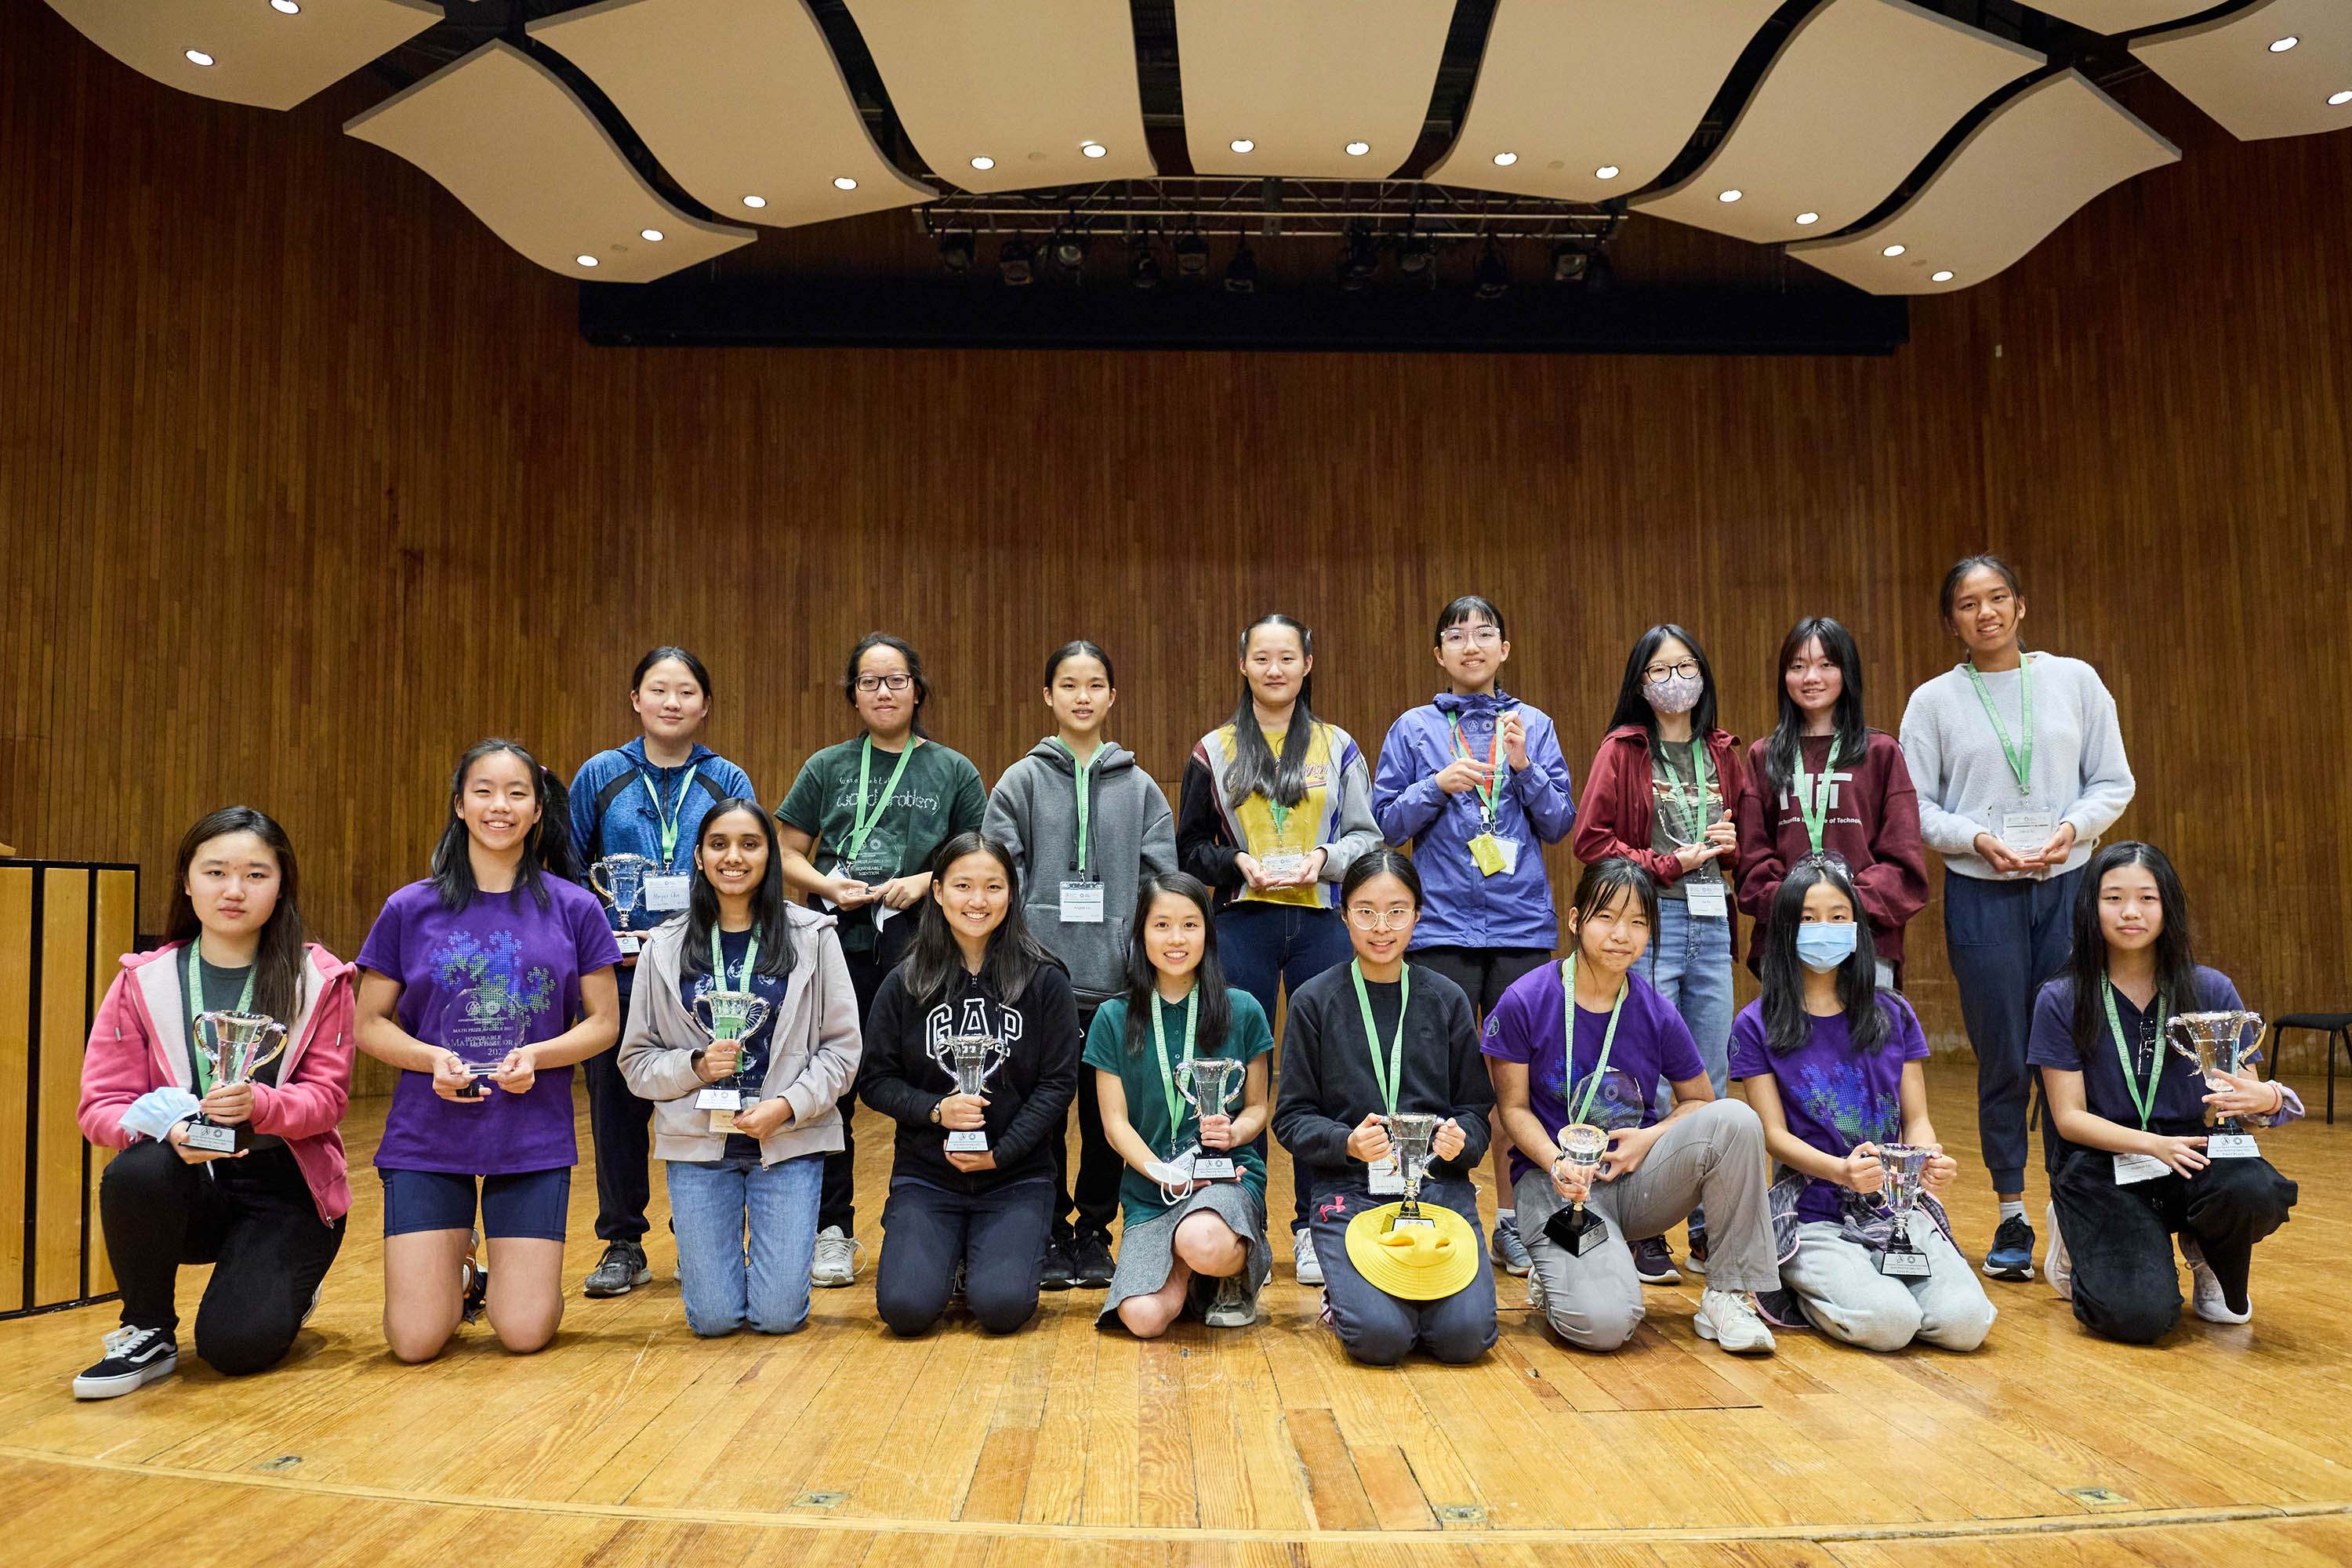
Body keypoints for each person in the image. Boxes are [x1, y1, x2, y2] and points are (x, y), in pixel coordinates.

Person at [1900, 555, 2135, 1282]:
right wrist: (1977, 840)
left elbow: (2112, 780)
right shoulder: (1933, 701)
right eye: (1968, 604)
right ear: (1951, 622)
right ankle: (2011, 1213)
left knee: (2072, 1053)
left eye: (1998, 597)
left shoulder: (2074, 680)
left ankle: (2074, 1207)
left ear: (2022, 605)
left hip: (2070, 887)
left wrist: (2072, 828)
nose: (1986, 613)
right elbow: (1916, 805)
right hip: (1984, 892)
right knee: (2003, 1057)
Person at [355, 739, 622, 1362]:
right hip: (429, 1133)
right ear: (459, 806)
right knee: (416, 1342)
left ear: (536, 812)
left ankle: (482, 1277)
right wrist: (431, 1062)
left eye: (516, 793)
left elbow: (603, 1023)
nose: (499, 806)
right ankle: (462, 1267)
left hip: (529, 1132)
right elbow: (369, 1023)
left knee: (525, 1332)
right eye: (484, 791)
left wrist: (539, 1056)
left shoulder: (577, 907)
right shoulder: (408, 907)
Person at [73, 808, 354, 1398]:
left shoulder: (318, 978)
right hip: (190, 1178)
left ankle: (283, 1287)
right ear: (187, 880)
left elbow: (327, 1100)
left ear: (281, 885)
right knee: (137, 1171)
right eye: (216, 872)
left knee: (236, 1348)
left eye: (256, 874)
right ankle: (147, 1328)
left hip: (285, 1187)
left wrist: (261, 1105)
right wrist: (166, 1128)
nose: (234, 890)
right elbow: (100, 1105)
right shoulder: (142, 980)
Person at [1484, 858, 1780, 1356]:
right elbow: (1512, 1111)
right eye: (1607, 917)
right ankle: (1560, 1271)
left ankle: (1727, 1296)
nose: (1622, 934)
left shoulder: (1656, 1011)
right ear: (1576, 920)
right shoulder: (1526, 1000)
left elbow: (1699, 1102)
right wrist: (1555, 1161)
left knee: (1736, 1119)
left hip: (1634, 1182)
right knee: (1604, 1327)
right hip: (1555, 1187)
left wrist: (1648, 1138)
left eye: (1638, 922)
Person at [1372, 595, 1576, 1281]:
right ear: (1438, 654)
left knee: (1521, 1083)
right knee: (1442, 1078)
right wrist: (1436, 783)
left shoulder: (1534, 725)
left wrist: (1523, 766)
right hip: (1440, 929)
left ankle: (1517, 1220)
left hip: (1520, 927)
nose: (1470, 645)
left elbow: (1557, 824)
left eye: (1483, 633)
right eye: (1455, 636)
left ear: (1505, 649)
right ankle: (1428, 1203)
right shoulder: (1413, 727)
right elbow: (1384, 820)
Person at [776, 633, 988, 1289]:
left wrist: (926, 881)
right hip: (840, 942)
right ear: (853, 695)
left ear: (918, 690)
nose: (884, 692)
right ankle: (831, 1229)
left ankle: (944, 1223)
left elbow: (977, 858)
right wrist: (824, 885)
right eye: (869, 682)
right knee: (833, 1087)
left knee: (930, 1082)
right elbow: (785, 852)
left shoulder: (952, 770)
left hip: (924, 948)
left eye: (896, 680)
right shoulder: (826, 767)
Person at [1180, 612, 1381, 1289]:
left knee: (1324, 1073)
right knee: (1240, 1073)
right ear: (1243, 665)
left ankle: (1317, 1222)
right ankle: (1246, 1226)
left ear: (1307, 664)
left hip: (1322, 922)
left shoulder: (1338, 745)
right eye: (1261, 658)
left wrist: (1323, 859)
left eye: (1286, 658)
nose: (1274, 669)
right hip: (1242, 924)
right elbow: (1189, 851)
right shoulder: (1213, 749)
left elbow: (1367, 839)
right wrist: (1236, 862)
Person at [2028, 842, 2298, 1342]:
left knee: (2253, 1189)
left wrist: (2268, 1101)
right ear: (2091, 907)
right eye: (2114, 898)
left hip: (2194, 1153)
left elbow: (2244, 1094)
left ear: (2167, 907)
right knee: (2138, 1318)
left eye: (2147, 898)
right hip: (2102, 1163)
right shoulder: (2061, 997)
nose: (2131, 911)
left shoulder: (2211, 990)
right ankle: (2074, 1232)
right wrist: (2151, 1144)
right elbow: (2069, 1118)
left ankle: (2210, 1253)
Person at [615, 800, 862, 1337]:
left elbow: (842, 1051)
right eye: (719, 844)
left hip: (787, 1142)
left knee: (778, 1319)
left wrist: (787, 1106)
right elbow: (636, 1062)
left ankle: (772, 1269)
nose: (734, 857)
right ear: (699, 857)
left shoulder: (815, 936)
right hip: (700, 1145)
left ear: (770, 856)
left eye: (750, 844)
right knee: (714, 1320)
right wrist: (695, 1066)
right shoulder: (662, 947)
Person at [1730, 857, 1995, 1352]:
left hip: (1894, 1207)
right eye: (1807, 919)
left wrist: (1927, 1162)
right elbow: (1773, 1136)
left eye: (1838, 916)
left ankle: (1877, 1276)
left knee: (1966, 1324)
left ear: (1857, 926)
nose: (1824, 929)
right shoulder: (1756, 1022)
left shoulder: (1893, 1013)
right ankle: (1798, 1284)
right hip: (1813, 1212)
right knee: (1888, 1324)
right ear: (1785, 929)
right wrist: (1840, 1171)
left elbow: (1916, 1120)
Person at [985, 640, 1178, 1292]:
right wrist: (1022, 954)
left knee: (1105, 1121)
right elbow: (997, 874)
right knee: (1037, 1114)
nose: (1082, 696)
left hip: (1119, 985)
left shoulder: (1141, 786)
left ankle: (1094, 1231)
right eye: (1068, 685)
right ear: (1048, 696)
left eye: (1095, 684)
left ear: (1112, 697)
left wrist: (1141, 959)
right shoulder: (1021, 780)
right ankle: (1041, 1227)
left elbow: (1162, 882)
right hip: (1036, 984)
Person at [568, 646, 758, 1300]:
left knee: (705, 1098)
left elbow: (747, 864)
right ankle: (623, 1241)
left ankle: (698, 1231)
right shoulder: (601, 774)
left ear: (704, 705)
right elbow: (569, 871)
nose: (671, 702)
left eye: (685, 692)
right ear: (636, 700)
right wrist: (606, 931)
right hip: (618, 969)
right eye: (658, 690)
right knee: (616, 1110)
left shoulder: (727, 777)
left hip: (700, 971)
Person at [1572, 624, 1748, 1283]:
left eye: (1685, 668)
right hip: (1651, 919)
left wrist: (1730, 842)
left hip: (1712, 920)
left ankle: (1706, 1224)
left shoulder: (1725, 749)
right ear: (1640, 684)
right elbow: (1591, 843)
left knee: (1709, 1077)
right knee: (1644, 1076)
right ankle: (1646, 1227)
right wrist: (1666, 862)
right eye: (1659, 671)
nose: (1675, 681)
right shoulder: (1623, 748)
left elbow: (1746, 841)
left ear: (1703, 673)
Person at [1272, 850, 1497, 1366]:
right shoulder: (1313, 1000)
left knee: (1465, 1339)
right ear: (1343, 914)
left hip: (1438, 1189)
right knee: (1380, 1339)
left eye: (1397, 911)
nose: (1381, 927)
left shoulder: (1447, 998)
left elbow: (1475, 1109)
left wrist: (1462, 1137)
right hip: (1352, 1190)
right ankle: (1350, 1296)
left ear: (1418, 915)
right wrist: (1345, 1142)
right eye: (1366, 911)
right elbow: (1291, 1117)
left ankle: (1396, 1297)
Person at [858, 834, 1080, 1336]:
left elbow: (1057, 1084)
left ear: (1011, 893)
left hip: (1016, 1176)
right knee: (906, 1311)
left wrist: (1001, 1154)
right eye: (963, 886)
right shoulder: (905, 981)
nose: (977, 901)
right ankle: (951, 1250)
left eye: (993, 887)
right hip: (928, 1175)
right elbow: (875, 1080)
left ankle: (978, 1254)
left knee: (1001, 1309)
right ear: (937, 892)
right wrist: (936, 1110)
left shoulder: (1046, 980)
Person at [1088, 872, 1276, 1335]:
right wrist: (1162, 1171)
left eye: (1191, 925)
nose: (1177, 939)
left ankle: (1229, 1272)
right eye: (1162, 925)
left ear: (1208, 934)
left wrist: (1235, 1133)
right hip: (1151, 1190)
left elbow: (1257, 1108)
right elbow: (1115, 1125)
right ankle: (1192, 1277)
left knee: (1203, 1238)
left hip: (1225, 1178)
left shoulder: (1244, 1009)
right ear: (1141, 933)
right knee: (1144, 1320)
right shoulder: (1113, 1017)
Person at [1736, 617, 1927, 988]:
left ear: (1847, 672)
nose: (1811, 677)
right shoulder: (1764, 755)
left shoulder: (1882, 752)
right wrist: (1799, 906)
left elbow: (1903, 860)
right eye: (1798, 666)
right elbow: (1751, 861)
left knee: (1866, 1044)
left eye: (1826, 664)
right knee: (1791, 1044)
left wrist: (1844, 906)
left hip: (1867, 938)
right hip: (1785, 938)